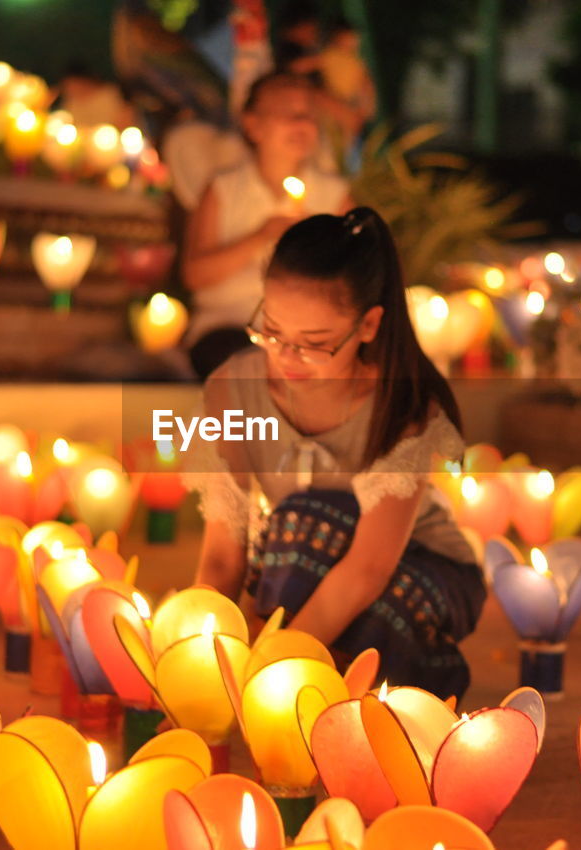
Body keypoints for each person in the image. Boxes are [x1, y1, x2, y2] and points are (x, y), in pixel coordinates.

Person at [184, 207, 486, 700]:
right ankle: (326, 690)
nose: (286, 357)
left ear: (367, 326)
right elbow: (223, 553)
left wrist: (268, 668)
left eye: (314, 343)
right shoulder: (232, 390)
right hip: (303, 556)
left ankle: (419, 686)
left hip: (418, 569)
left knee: (304, 536)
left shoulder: (399, 406)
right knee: (290, 545)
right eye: (273, 331)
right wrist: (196, 652)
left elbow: (368, 569)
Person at [182, 73, 351, 379]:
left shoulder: (334, 197)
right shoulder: (224, 190)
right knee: (249, 369)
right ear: (253, 125)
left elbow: (358, 277)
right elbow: (196, 274)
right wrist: (262, 236)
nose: (303, 125)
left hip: (310, 337)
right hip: (229, 328)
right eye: (289, 114)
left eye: (310, 115)